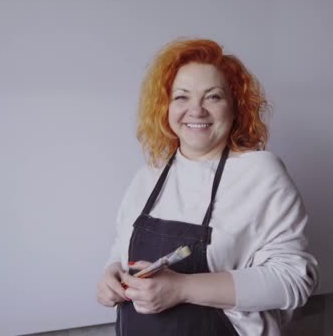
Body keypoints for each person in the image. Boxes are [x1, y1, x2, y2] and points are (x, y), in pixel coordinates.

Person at [96, 38, 318, 336]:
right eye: (181, 97)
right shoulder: (147, 178)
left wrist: (183, 288)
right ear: (165, 107)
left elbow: (294, 280)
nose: (196, 110)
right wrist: (113, 275)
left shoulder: (260, 173)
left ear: (236, 106)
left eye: (213, 97)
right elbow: (119, 251)